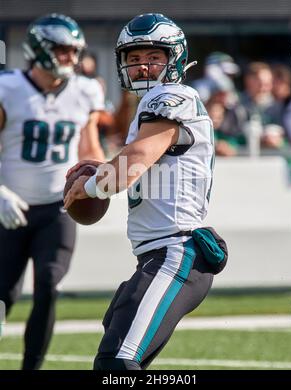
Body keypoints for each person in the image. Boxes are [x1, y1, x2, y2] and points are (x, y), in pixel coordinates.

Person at [64, 13, 228, 370]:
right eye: (134, 59)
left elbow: (132, 164)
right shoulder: (150, 106)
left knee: (118, 365)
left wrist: (88, 186)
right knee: (114, 360)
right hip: (156, 256)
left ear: (175, 59)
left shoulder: (171, 97)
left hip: (176, 253)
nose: (142, 67)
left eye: (154, 57)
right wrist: (99, 171)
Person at [0, 13, 105, 370]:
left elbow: (89, 148)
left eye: (74, 51)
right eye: (62, 50)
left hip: (57, 208)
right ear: (40, 50)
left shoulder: (86, 89)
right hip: (8, 207)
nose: (71, 58)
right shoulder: (8, 87)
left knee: (49, 283)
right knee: (4, 295)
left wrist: (102, 180)